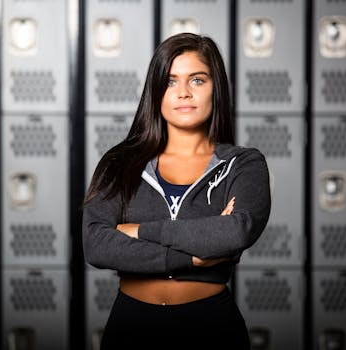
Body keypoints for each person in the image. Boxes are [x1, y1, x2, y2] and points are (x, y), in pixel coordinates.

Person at [82, 32, 271, 349]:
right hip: (131, 326)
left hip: (210, 327)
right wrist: (191, 258)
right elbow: (97, 244)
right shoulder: (121, 162)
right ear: (155, 92)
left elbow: (235, 232)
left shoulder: (242, 164)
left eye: (197, 80)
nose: (183, 93)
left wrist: (136, 230)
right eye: (170, 82)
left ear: (216, 89)